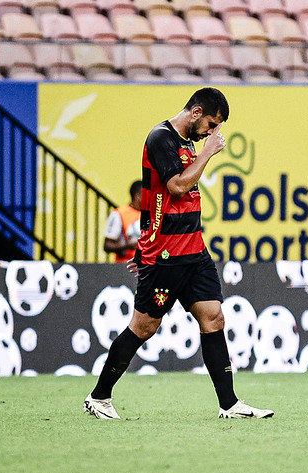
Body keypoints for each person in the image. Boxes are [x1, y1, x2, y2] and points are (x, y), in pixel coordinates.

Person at [84, 88, 274, 421]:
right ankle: (99, 397)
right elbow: (176, 186)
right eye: (211, 124)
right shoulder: (161, 138)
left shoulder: (187, 142)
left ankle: (229, 404)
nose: (213, 133)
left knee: (213, 317)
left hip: (194, 249)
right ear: (197, 112)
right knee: (144, 327)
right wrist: (210, 153)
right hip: (167, 254)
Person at [103, 180, 142, 263]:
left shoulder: (152, 213)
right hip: (126, 266)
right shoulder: (119, 214)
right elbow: (107, 245)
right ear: (138, 195)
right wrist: (127, 246)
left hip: (147, 266)